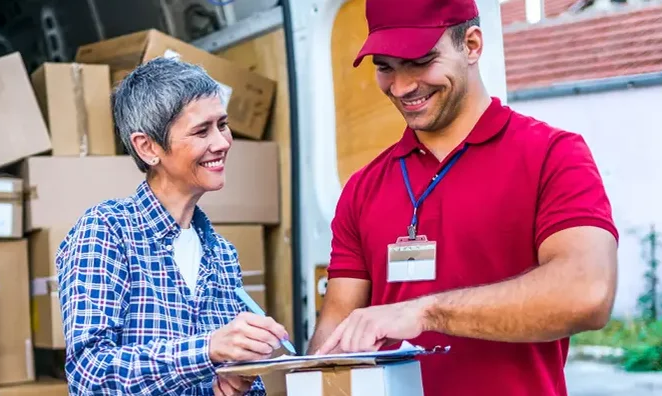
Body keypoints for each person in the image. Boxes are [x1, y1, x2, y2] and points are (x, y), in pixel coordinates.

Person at [308, 0, 620, 395]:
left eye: (420, 61)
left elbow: (586, 293)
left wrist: (426, 311)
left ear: (472, 45)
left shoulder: (553, 155)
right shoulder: (362, 188)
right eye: (385, 66)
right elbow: (334, 330)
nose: (401, 87)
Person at [57, 57, 290, 396]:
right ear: (148, 147)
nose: (223, 142)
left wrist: (234, 385)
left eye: (222, 125)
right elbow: (90, 376)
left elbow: (220, 378)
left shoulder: (222, 254)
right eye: (201, 131)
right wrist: (208, 349)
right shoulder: (106, 232)